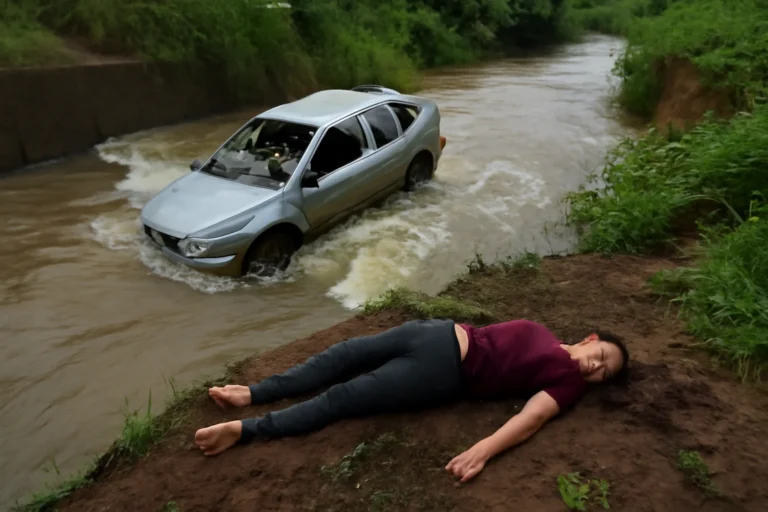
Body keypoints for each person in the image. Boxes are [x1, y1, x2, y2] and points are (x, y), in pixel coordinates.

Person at [194, 318, 629, 482]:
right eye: (602, 356)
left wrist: (483, 450)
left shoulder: (567, 384)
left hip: (442, 373)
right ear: (591, 339)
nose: (597, 368)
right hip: (436, 332)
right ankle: (254, 392)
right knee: (343, 354)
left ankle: (245, 429)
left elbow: (532, 418)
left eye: (605, 373)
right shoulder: (546, 335)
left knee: (346, 395)